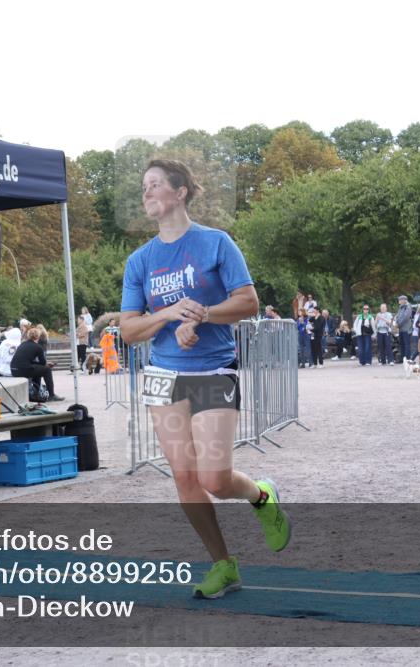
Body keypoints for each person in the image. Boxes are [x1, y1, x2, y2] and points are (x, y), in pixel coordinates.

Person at [119, 159, 290, 600]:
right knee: (184, 477)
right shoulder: (140, 260)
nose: (146, 192)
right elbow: (129, 330)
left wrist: (202, 315)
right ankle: (223, 565)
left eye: (155, 184)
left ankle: (261, 496)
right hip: (162, 376)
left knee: (215, 478)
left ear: (180, 192)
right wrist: (167, 315)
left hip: (213, 370)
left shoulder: (216, 243)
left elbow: (248, 302)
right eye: (143, 187)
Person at [394, 296, 413, 363]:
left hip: (406, 328)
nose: (399, 301)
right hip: (401, 329)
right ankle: (402, 359)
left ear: (404, 300)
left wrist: (398, 324)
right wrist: (396, 323)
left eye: (400, 300)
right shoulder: (401, 307)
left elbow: (406, 317)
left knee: (407, 344)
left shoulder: (408, 307)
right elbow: (398, 316)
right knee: (401, 344)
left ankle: (407, 359)